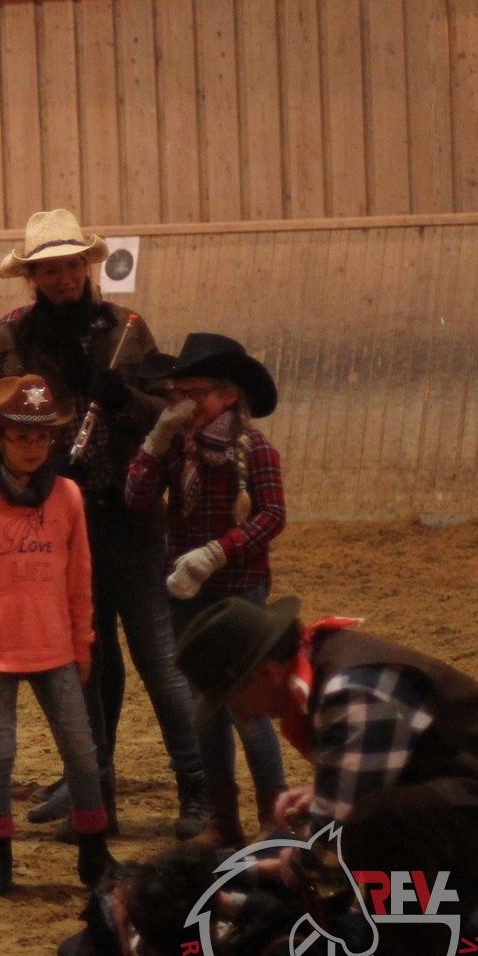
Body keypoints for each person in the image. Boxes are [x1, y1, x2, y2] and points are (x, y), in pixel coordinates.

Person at [0, 208, 208, 840]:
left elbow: (168, 413)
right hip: (54, 523)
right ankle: (92, 790)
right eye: (50, 270)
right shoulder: (11, 338)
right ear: (32, 277)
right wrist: (23, 478)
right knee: (84, 659)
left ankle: (198, 788)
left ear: (86, 267)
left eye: (71, 267)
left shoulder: (126, 330)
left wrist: (123, 400)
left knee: (159, 657)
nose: (63, 279)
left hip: (127, 516)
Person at [176, 596, 478, 956]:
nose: (237, 713)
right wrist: (321, 794)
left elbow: (331, 841)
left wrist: (283, 868)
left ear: (265, 673)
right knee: (380, 860)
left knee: (378, 828)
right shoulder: (327, 661)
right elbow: (395, 760)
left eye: (231, 698)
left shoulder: (351, 690)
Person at [0, 374, 116, 901]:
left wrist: (82, 640)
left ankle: (94, 848)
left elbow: (79, 576)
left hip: (54, 646)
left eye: (41, 437)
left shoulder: (67, 495)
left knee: (81, 750)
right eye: (21, 437)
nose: (32, 447)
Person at [125, 334, 288, 847]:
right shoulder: (176, 447)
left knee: (245, 705)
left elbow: (272, 515)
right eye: (180, 394)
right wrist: (154, 443)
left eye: (197, 394)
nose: (186, 405)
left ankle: (274, 817)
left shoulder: (255, 449)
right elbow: (136, 498)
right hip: (186, 595)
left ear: (229, 395)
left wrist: (217, 552)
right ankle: (223, 819)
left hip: (238, 593)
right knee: (205, 707)